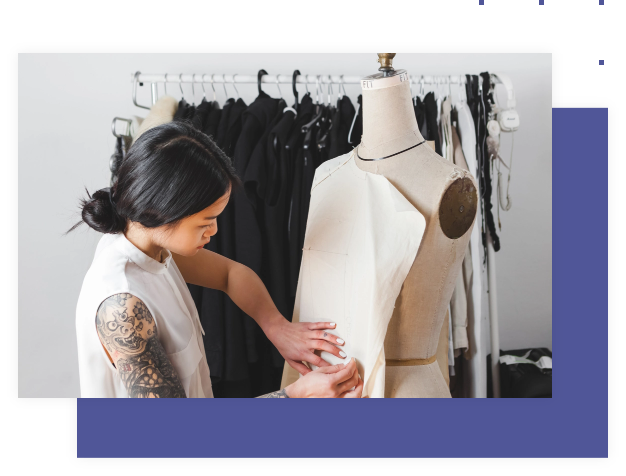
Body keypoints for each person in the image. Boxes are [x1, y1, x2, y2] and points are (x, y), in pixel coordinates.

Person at [72, 122, 363, 398]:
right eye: (205, 222)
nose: (214, 231)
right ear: (162, 212)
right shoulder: (122, 306)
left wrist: (277, 326)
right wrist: (297, 395)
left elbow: (230, 275)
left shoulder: (150, 245)